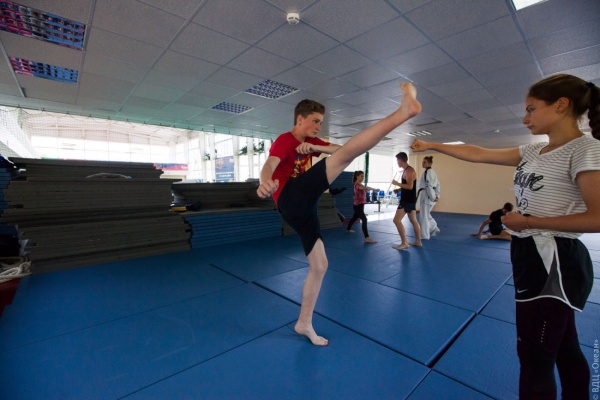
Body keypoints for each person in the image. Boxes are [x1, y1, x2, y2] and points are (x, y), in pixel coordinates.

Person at [411, 74, 600, 399]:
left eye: (531, 109)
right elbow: (479, 153)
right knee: (564, 345)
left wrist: (528, 221)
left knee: (534, 359)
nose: (525, 118)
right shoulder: (535, 150)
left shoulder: (585, 149)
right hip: (530, 255)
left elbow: (597, 217)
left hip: (553, 260)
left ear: (561, 105)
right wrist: (434, 145)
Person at [257, 83, 421, 346]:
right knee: (345, 157)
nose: (318, 127)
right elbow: (270, 164)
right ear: (299, 119)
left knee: (320, 265)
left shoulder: (312, 142)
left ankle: (304, 323)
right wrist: (265, 182)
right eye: (314, 121)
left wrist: (316, 148)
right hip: (290, 196)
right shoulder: (285, 140)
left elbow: (338, 148)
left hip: (304, 207)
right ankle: (402, 113)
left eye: (321, 122)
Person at [390, 152, 422, 249]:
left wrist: (397, 183)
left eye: (397, 160)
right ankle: (418, 242)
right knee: (413, 220)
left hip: (407, 200)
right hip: (410, 199)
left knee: (396, 220)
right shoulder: (406, 170)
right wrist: (399, 189)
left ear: (401, 160)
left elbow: (410, 186)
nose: (397, 162)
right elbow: (407, 186)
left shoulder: (409, 171)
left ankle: (404, 243)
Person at [346, 170, 378, 243]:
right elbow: (366, 188)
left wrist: (356, 197)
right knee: (364, 219)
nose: (363, 177)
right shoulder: (357, 185)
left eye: (363, 176)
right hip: (357, 206)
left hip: (359, 205)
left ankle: (348, 229)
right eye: (361, 176)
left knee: (354, 218)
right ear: (357, 176)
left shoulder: (360, 184)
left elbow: (360, 192)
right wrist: (374, 189)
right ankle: (367, 237)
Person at [418, 156, 441, 239]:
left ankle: (424, 235)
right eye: (422, 162)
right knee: (426, 214)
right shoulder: (431, 172)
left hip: (427, 196)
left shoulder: (428, 172)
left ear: (430, 163)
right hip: (429, 195)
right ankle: (434, 228)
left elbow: (429, 186)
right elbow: (438, 185)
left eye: (425, 162)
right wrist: (437, 195)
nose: (423, 163)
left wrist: (433, 197)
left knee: (424, 216)